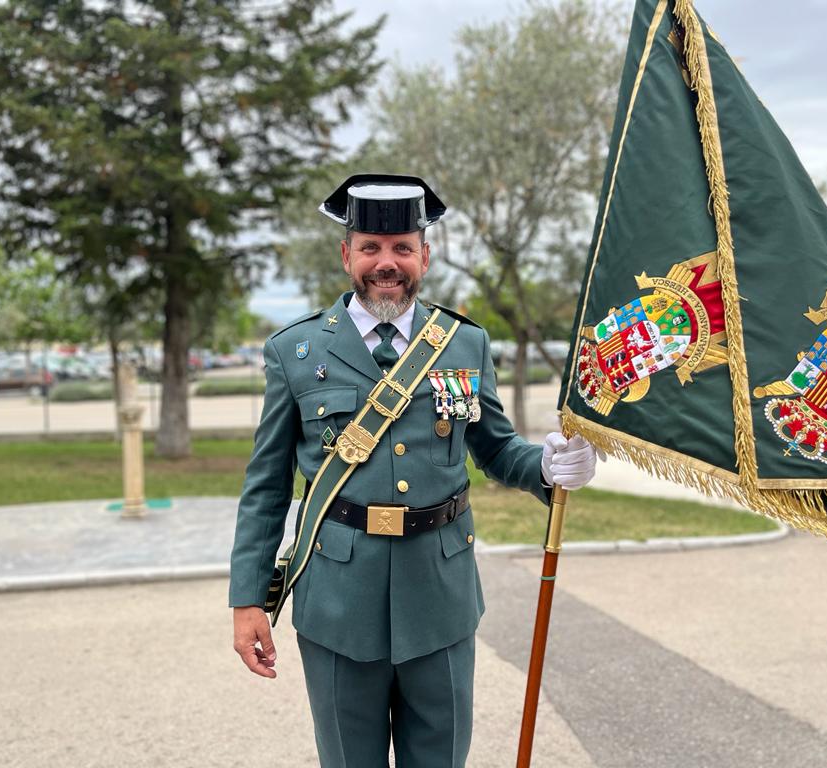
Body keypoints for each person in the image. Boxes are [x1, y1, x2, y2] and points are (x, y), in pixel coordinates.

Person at [230, 173, 597, 767]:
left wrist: (551, 466)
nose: (387, 263)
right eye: (371, 248)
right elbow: (266, 488)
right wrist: (248, 598)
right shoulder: (296, 352)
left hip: (440, 594)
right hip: (338, 601)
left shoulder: (464, 344)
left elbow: (499, 450)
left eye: (402, 247)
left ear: (424, 256)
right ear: (346, 254)